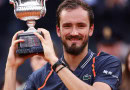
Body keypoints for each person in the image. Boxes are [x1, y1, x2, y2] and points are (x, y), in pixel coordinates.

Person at [4, 0, 122, 90]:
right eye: (67, 26)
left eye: (81, 26)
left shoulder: (107, 63)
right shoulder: (40, 76)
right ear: (58, 30)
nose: (74, 32)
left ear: (91, 30)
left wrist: (55, 62)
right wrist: (11, 67)